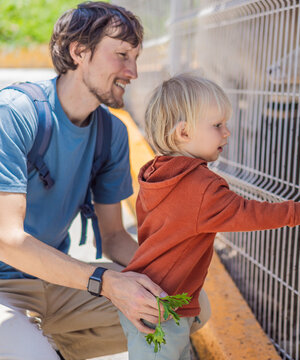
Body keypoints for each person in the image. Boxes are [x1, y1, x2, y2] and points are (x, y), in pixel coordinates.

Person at [119, 74, 300, 359]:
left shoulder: (154, 173)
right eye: (217, 125)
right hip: (162, 312)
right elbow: (248, 214)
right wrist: (299, 211)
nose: (227, 132)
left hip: (148, 295)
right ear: (183, 133)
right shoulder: (201, 187)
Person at [0, 2, 173, 359]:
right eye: (122, 55)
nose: (133, 71)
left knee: (183, 309)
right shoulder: (15, 114)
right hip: (4, 283)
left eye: (136, 57)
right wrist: (106, 282)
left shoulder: (111, 133)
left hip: (53, 281)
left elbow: (113, 237)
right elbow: (8, 241)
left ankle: (47, 346)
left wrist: (170, 272)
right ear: (79, 51)